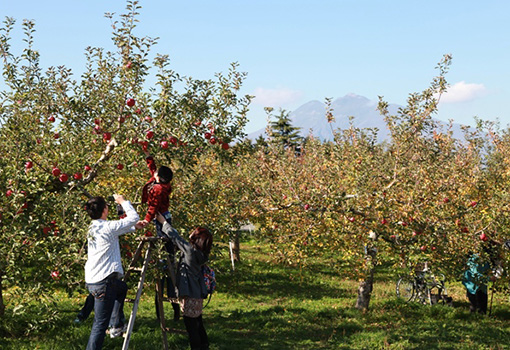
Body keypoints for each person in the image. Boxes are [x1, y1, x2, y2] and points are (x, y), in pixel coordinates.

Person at [84, 194, 142, 350]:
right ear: (104, 209)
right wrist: (123, 202)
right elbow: (134, 217)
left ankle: (116, 324)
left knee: (122, 288)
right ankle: (114, 325)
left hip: (93, 280)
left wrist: (133, 227)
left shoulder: (94, 227)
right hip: (104, 282)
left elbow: (115, 230)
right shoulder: (108, 227)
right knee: (99, 326)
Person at [156, 213, 212, 350]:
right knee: (197, 322)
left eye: (194, 232)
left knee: (191, 327)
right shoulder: (201, 254)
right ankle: (204, 345)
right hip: (197, 294)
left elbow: (176, 237)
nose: (191, 233)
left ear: (197, 238)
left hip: (190, 295)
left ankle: (198, 347)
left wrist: (163, 222)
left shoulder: (190, 251)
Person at [140, 149, 180, 320]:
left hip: (160, 221)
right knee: (167, 256)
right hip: (165, 219)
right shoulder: (162, 184)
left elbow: (153, 207)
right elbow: (154, 171)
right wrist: (148, 156)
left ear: (159, 178)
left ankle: (167, 310)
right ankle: (170, 310)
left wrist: (146, 220)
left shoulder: (157, 189)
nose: (153, 173)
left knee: (163, 261)